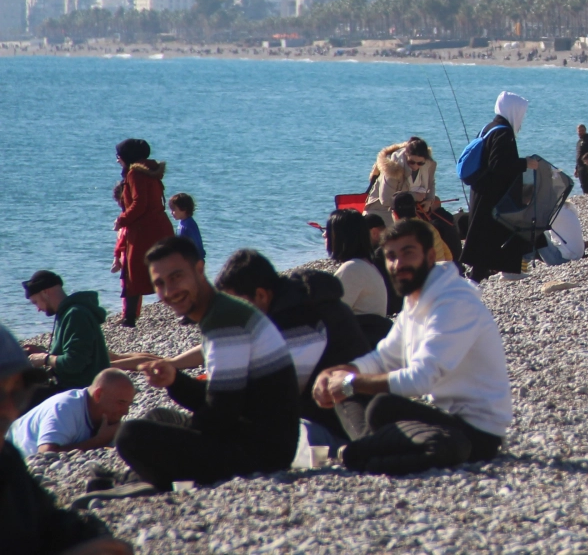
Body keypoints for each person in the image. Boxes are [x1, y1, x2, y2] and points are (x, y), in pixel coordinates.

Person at [313, 218, 511, 474]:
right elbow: (385, 358)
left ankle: (351, 452)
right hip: (442, 420)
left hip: (478, 432)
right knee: (350, 395)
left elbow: (421, 379)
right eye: (391, 256)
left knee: (382, 406)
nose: (398, 264)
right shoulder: (417, 299)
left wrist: (351, 382)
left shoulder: (453, 303)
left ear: (429, 257)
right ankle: (363, 449)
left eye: (408, 253)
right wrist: (339, 373)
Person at [115, 236, 300, 490]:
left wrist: (184, 439)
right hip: (255, 437)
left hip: (261, 454)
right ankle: (136, 479)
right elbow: (223, 400)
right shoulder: (221, 311)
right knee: (157, 420)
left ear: (199, 270)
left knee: (130, 436)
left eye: (176, 277)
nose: (169, 291)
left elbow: (220, 415)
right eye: (160, 283)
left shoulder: (224, 319)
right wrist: (174, 380)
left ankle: (144, 482)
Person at [0, 323, 132, 555]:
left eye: (18, 393)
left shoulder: (7, 458)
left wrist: (95, 540)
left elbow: (49, 522)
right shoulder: (65, 408)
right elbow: (47, 452)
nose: (10, 409)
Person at [212, 250, 372, 437]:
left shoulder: (299, 317)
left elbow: (281, 391)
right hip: (326, 399)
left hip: (347, 407)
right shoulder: (289, 301)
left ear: (261, 295)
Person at [462, 92, 542, 282]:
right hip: (493, 195)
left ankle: (480, 276)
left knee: (485, 236)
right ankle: (494, 274)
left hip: (482, 191)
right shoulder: (503, 132)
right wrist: (525, 163)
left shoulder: (489, 127)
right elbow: (499, 164)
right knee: (496, 232)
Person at [111, 138, 174, 327]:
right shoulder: (150, 172)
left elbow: (139, 204)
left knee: (133, 271)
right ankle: (187, 307)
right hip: (160, 226)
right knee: (166, 269)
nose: (117, 160)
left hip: (144, 229)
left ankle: (129, 318)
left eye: (119, 156)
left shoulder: (135, 174)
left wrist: (121, 219)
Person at [20, 271, 110, 399]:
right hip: (73, 388)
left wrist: (45, 358)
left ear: (45, 292)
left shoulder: (76, 314)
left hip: (81, 394)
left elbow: (75, 362)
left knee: (18, 399)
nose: (38, 309)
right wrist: (43, 353)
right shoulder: (67, 313)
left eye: (35, 302)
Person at [7, 369, 135, 458]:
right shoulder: (65, 408)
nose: (126, 412)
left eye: (128, 404)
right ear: (98, 395)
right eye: (121, 403)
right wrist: (99, 441)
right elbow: (45, 454)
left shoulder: (103, 415)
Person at [325, 209, 391, 341]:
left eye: (329, 232)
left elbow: (330, 317)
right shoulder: (366, 265)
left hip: (357, 346)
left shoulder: (352, 269)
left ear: (341, 236)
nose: (324, 235)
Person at [168, 194, 204, 263]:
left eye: (173, 209)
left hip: (192, 262)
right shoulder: (183, 222)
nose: (171, 213)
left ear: (183, 208)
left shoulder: (187, 226)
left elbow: (196, 247)